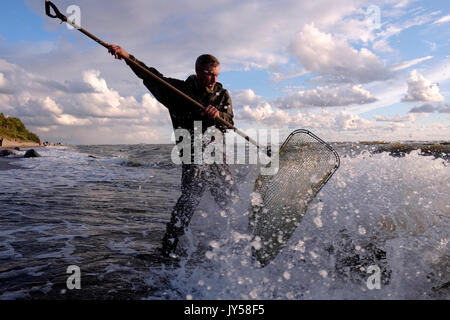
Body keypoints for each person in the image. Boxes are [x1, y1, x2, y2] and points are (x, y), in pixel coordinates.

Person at [107, 44, 239, 257]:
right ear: (197, 72)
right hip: (191, 153)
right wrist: (125, 56)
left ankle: (234, 243)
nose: (213, 80)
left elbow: (230, 123)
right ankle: (167, 248)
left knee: (229, 198)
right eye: (208, 75)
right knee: (188, 201)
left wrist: (219, 116)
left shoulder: (222, 95)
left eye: (216, 75)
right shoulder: (177, 91)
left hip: (216, 154)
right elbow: (149, 75)